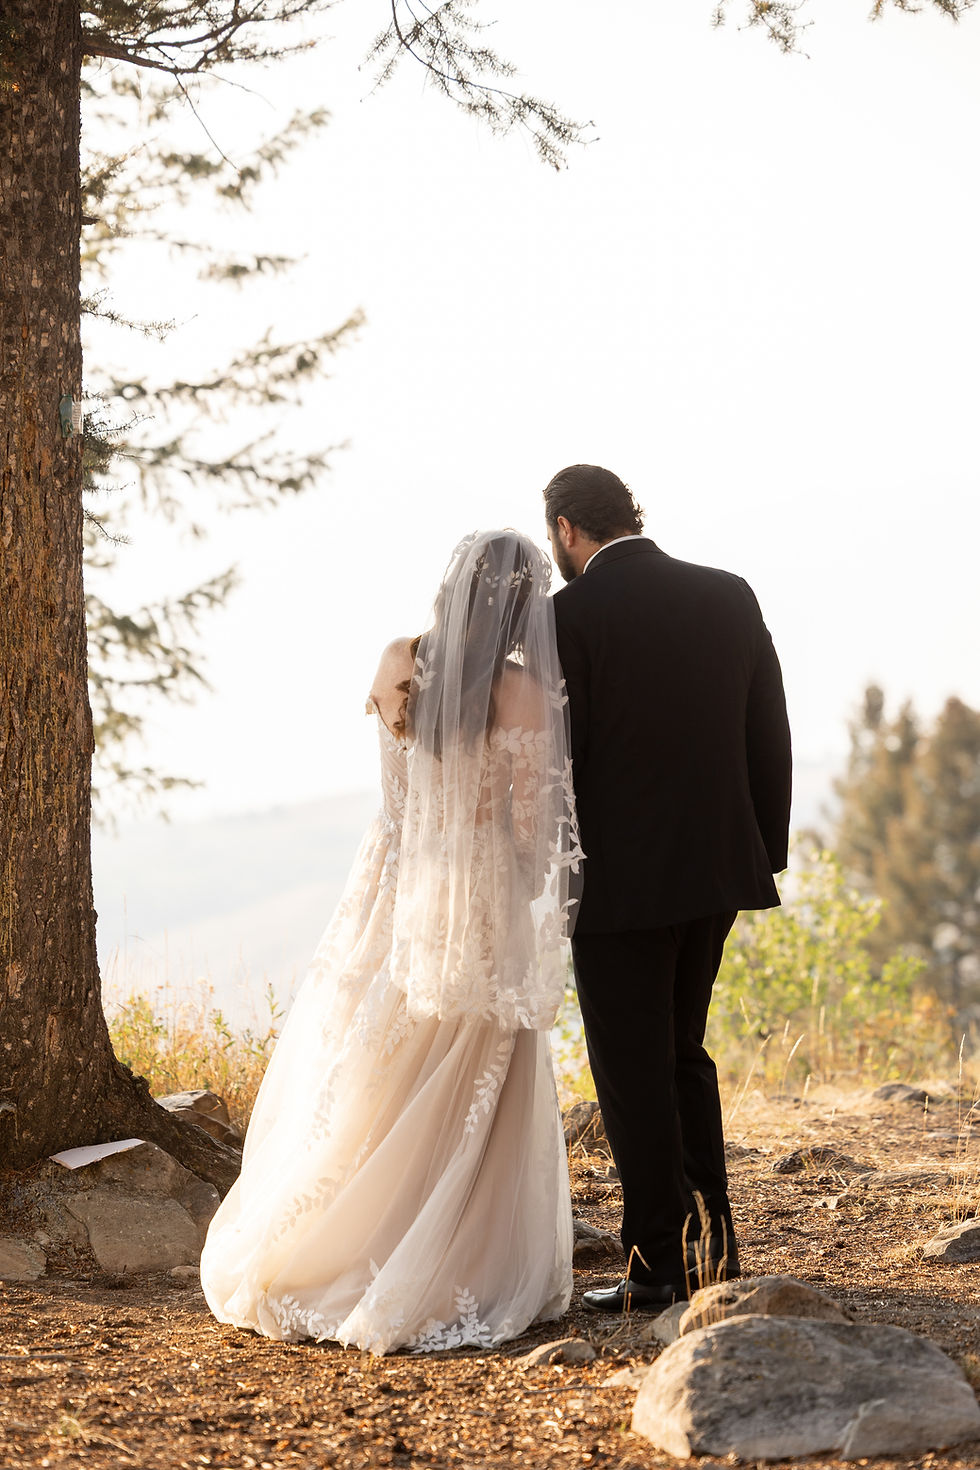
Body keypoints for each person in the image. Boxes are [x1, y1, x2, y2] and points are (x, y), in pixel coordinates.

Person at [200, 530, 582, 1353]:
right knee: (471, 1068)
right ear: (523, 608)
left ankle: (336, 1237)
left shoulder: (398, 660)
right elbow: (530, 833)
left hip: (396, 883)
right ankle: (447, 1252)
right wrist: (505, 871)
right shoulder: (524, 695)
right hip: (481, 897)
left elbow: (398, 794)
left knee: (375, 1060)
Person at [543, 464, 792, 1312]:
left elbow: (559, 760)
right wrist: (761, 848)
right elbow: (767, 726)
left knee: (631, 1072)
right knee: (684, 1051)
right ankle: (710, 1248)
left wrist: (548, 869)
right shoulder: (729, 593)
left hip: (616, 884)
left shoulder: (568, 616)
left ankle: (657, 1266)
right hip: (718, 867)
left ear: (567, 529)